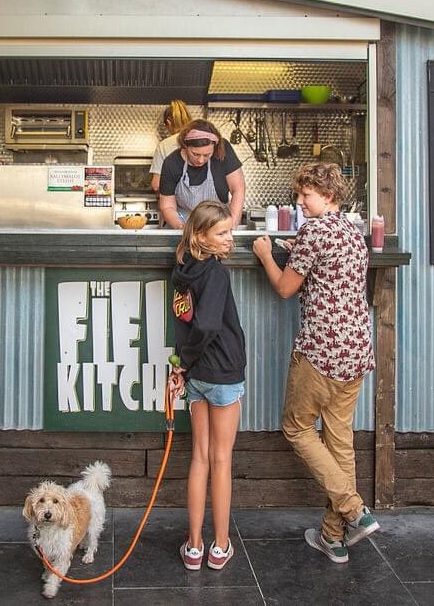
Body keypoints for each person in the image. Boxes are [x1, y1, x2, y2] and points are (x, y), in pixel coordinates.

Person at [251, 163, 380, 564]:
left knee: (297, 427)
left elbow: (286, 288)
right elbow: (328, 270)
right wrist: (294, 252)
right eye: (301, 194)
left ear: (329, 197)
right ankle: (333, 536)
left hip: (322, 352)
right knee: (339, 440)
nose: (300, 202)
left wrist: (263, 254)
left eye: (307, 195)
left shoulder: (313, 231)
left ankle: (354, 509)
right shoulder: (351, 233)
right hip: (357, 350)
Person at [169, 201, 246, 572]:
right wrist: (186, 363)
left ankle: (194, 546)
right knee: (221, 459)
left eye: (230, 231)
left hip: (196, 374)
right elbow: (207, 325)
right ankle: (220, 545)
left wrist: (183, 366)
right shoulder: (216, 274)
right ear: (201, 235)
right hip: (223, 374)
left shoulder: (181, 269)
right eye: (222, 233)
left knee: (199, 457)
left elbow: (183, 323)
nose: (230, 239)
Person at [158, 119, 245, 230]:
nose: (200, 160)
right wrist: (183, 229)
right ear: (185, 145)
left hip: (218, 226)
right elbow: (167, 206)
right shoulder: (172, 163)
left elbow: (238, 189)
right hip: (185, 225)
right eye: (195, 154)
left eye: (207, 155)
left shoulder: (223, 152)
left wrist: (230, 227)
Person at [150, 100, 192, 193]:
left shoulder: (164, 145)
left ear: (169, 122)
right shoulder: (203, 140)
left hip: (174, 204)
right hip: (204, 205)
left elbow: (156, 185)